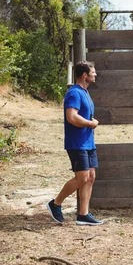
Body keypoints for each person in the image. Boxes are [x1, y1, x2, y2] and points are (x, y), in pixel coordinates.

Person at [46, 60, 103, 226]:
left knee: (90, 177)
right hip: (77, 143)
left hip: (88, 142)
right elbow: (72, 117)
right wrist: (90, 123)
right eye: (93, 72)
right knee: (82, 177)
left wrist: (90, 123)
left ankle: (83, 215)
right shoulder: (74, 93)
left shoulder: (84, 92)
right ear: (84, 75)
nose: (95, 74)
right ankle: (55, 203)